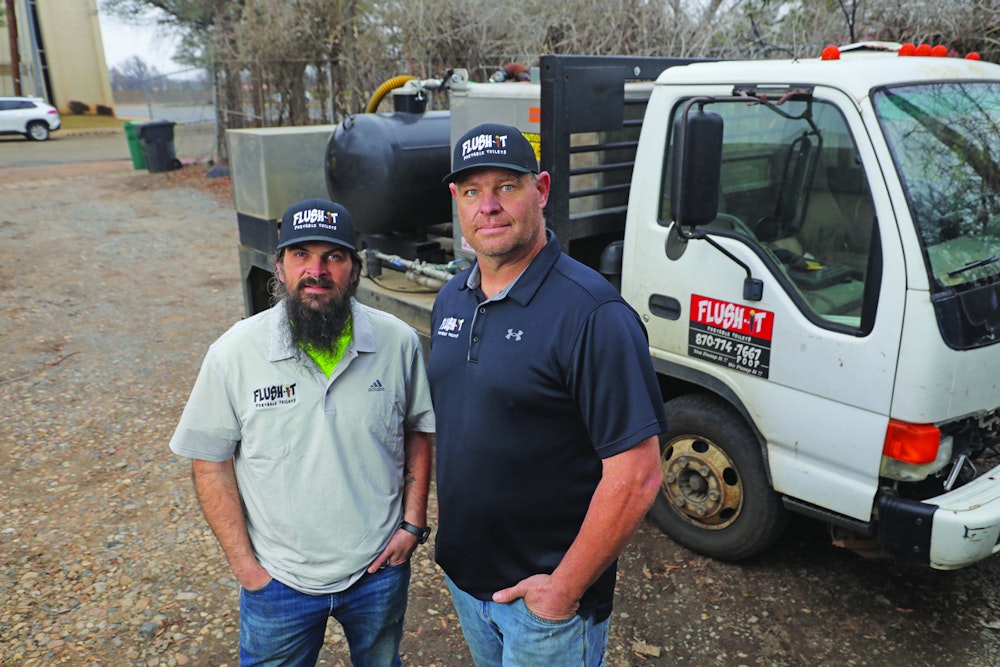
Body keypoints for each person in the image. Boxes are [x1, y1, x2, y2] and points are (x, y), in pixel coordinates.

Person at [429, 123, 667, 666]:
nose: (487, 206)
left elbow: (637, 476)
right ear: (456, 202)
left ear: (541, 189)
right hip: (467, 584)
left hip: (546, 607)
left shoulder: (593, 315)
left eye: (506, 187)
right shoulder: (451, 301)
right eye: (471, 191)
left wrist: (562, 591)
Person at [169, 198, 435, 666]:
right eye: (301, 255)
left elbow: (417, 430)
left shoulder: (398, 343)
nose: (317, 270)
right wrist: (246, 568)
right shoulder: (234, 354)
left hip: (378, 570)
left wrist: (412, 524)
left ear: (354, 269)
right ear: (279, 266)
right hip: (278, 580)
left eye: (333, 256)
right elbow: (209, 460)